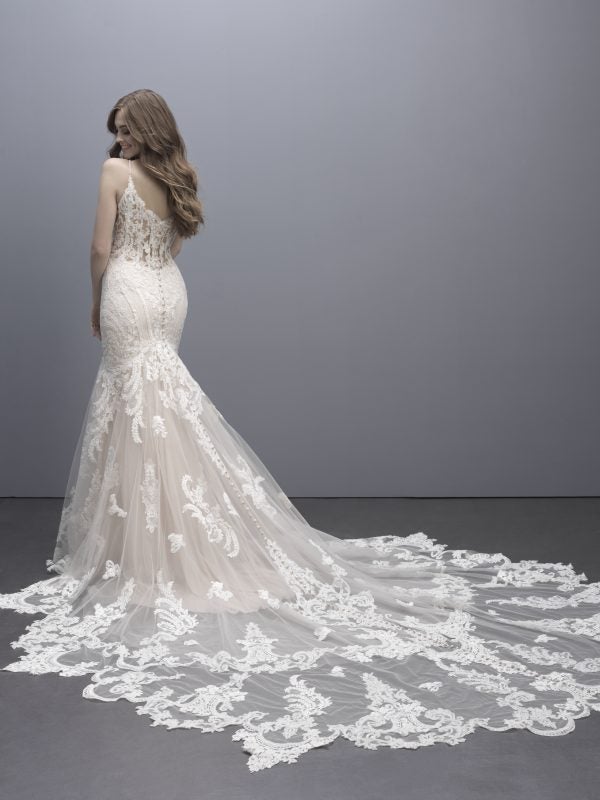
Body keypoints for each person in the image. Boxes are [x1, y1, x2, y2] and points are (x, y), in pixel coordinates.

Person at [2, 89, 600, 772]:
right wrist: (145, 275)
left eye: (129, 131)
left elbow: (98, 248)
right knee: (154, 409)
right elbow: (174, 244)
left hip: (130, 291)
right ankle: (144, 538)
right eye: (117, 133)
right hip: (166, 293)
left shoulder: (114, 173)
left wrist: (95, 300)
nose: (121, 142)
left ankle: (146, 549)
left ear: (147, 129)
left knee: (141, 409)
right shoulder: (179, 175)